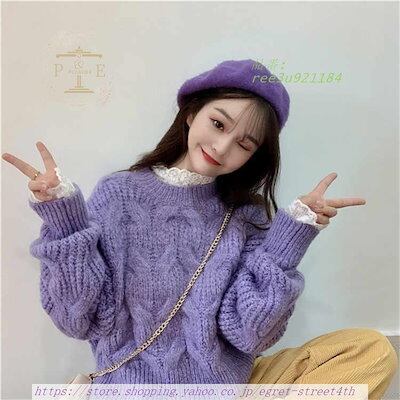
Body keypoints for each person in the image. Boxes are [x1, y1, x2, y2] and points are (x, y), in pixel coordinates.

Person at [2, 59, 397, 399]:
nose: (222, 148)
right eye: (218, 123)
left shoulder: (247, 215)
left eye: (244, 144)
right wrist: (63, 217)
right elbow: (77, 319)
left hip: (232, 388)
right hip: (135, 389)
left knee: (370, 350)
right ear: (192, 113)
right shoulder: (119, 194)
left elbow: (249, 335)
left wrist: (290, 239)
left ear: (254, 156)